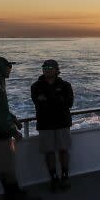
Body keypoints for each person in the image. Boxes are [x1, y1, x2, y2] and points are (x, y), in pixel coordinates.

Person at [0, 56, 41, 200]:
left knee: (7, 166)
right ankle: (13, 198)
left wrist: (14, 119)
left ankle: (14, 193)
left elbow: (1, 110)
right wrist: (14, 131)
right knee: (7, 168)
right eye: (8, 67)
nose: (10, 70)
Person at [31, 59, 74, 192]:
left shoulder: (66, 85)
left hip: (62, 123)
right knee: (49, 151)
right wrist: (58, 100)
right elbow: (38, 103)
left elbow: (69, 103)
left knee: (63, 149)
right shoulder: (36, 86)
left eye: (50, 67)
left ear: (56, 69)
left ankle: (65, 176)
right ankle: (54, 178)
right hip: (45, 124)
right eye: (45, 67)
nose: (47, 69)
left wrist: (48, 100)